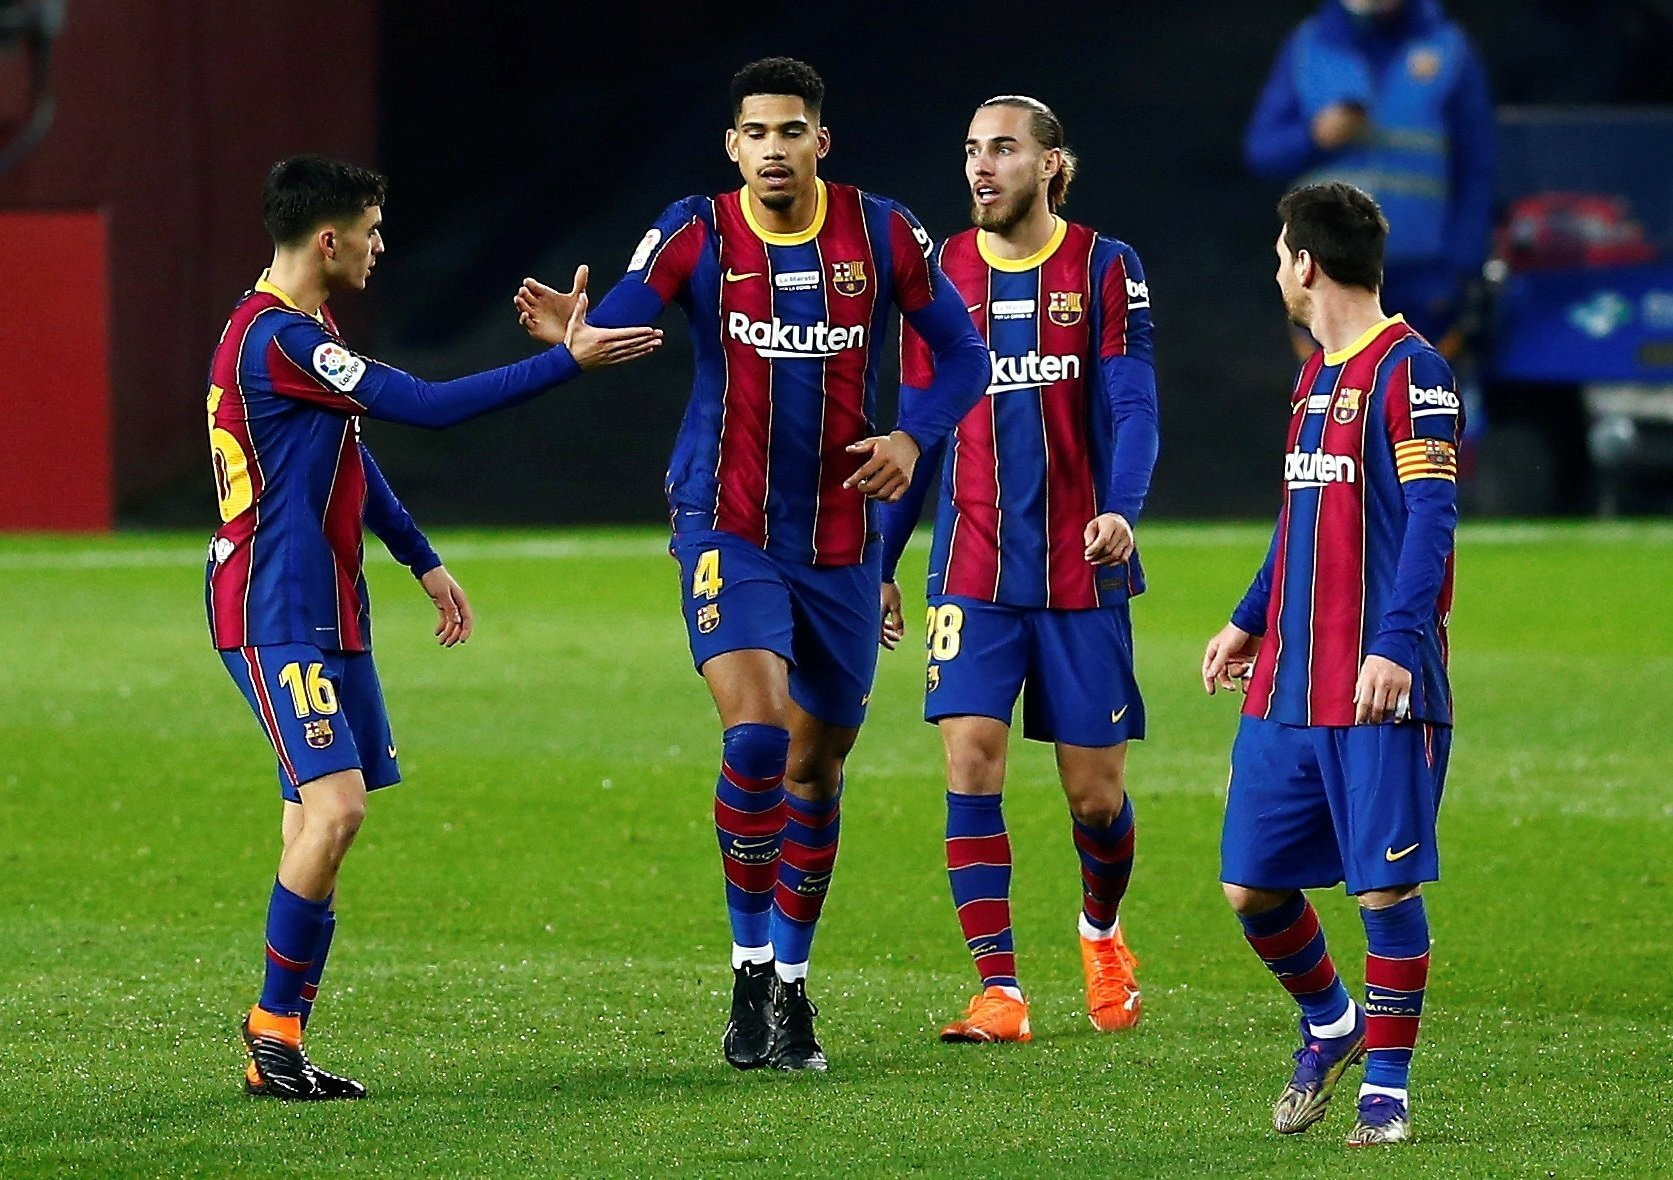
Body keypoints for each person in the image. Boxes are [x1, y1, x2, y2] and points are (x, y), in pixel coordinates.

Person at [515, 58, 989, 1072]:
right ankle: (745, 968)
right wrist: (578, 333)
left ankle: (792, 985)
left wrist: (914, 439)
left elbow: (963, 358)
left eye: (790, 131)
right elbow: (627, 313)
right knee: (758, 736)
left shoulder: (885, 233)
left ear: (821, 141)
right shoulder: (694, 230)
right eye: (753, 133)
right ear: (731, 146)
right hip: (724, 523)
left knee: (817, 770)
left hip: (843, 541)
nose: (772, 148)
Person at [212, 155, 660, 1101]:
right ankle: (269, 1033)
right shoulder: (278, 339)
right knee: (336, 810)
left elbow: (352, 452)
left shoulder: (305, 332)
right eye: (372, 231)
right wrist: (562, 362)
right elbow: (428, 407)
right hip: (272, 607)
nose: (381, 247)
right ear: (327, 239)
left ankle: (278, 1042)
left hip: (325, 605)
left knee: (314, 822)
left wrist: (419, 557)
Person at [875, 96, 1159, 1045]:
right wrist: (881, 561)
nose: (981, 167)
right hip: (972, 565)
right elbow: (916, 426)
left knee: (1095, 797)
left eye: (1002, 149)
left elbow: (1132, 402)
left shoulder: (1105, 267)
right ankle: (999, 990)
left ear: (1050, 164)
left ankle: (1101, 930)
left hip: (1084, 568)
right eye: (970, 151)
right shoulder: (937, 275)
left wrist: (1122, 507)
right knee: (969, 759)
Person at [1202, 181, 1461, 1146]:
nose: (1277, 269)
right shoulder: (1313, 379)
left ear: (1306, 263)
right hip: (1287, 682)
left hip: (1374, 686)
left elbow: (1432, 520)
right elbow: (1298, 520)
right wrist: (1246, 618)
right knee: (1250, 886)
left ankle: (1384, 1093)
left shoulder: (1413, 372)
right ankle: (1331, 1022)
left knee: (1383, 891)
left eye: (1280, 253)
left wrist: (1396, 646)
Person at [1243, 0, 1495, 356]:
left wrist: (1463, 262)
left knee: (1423, 396)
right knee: (1337, 400)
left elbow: (1477, 164)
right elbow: (1262, 151)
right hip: (1328, 269)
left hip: (1423, 271)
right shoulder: (1309, 46)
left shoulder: (1448, 47)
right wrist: (1316, 137)